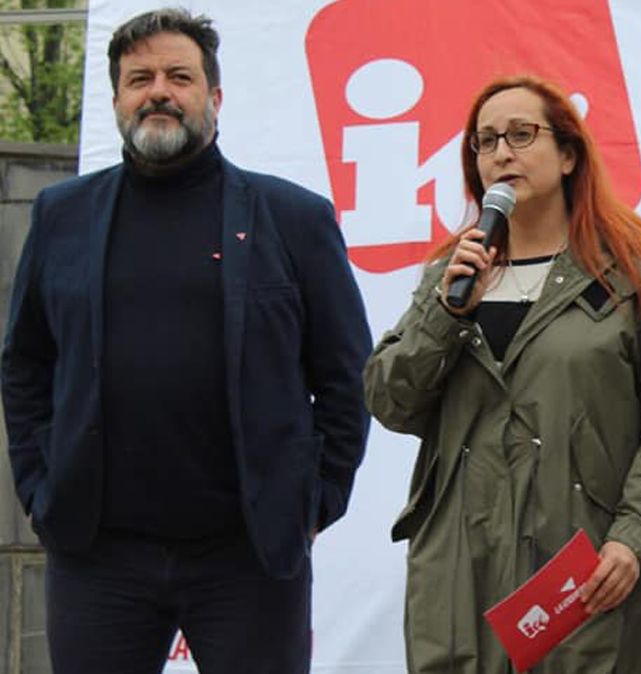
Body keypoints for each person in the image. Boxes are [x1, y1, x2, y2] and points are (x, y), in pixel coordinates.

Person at [0, 8, 371, 673]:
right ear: (117, 98)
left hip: (247, 557)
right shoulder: (63, 216)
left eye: (179, 75)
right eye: (139, 78)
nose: (159, 91)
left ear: (215, 97)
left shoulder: (293, 219)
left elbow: (346, 377)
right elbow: (25, 363)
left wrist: (312, 501)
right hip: (97, 556)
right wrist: (38, 486)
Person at [364, 74, 641, 673]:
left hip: (584, 567)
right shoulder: (452, 275)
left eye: (522, 135)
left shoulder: (629, 271)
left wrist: (635, 536)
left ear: (569, 154)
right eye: (486, 141)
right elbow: (391, 400)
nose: (502, 153)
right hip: (463, 571)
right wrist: (444, 314)